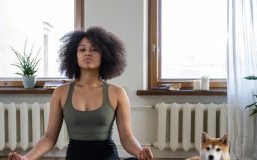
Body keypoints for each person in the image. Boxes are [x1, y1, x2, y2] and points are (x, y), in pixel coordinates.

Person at [8, 27, 153, 160]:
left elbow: (127, 137)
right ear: (74, 56)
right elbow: (49, 138)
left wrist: (140, 151)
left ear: (104, 55)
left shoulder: (117, 93)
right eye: (82, 49)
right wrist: (26, 158)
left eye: (94, 49)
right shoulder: (61, 92)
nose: (88, 53)